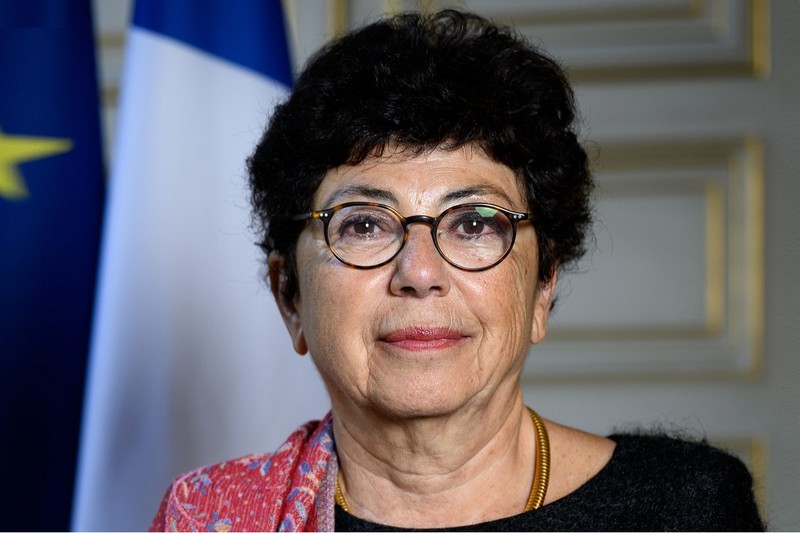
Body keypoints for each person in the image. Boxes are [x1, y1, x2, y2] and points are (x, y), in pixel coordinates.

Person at [149, 9, 764, 531]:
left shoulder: (689, 508)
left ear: (543, 285)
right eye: (364, 224)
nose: (419, 272)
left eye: (473, 224)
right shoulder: (202, 517)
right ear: (290, 297)